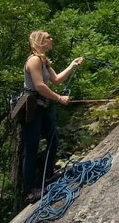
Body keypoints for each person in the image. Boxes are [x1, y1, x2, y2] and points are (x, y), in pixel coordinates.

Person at [22, 30, 84, 203]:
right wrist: (59, 98)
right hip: (33, 108)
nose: (52, 39)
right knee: (31, 149)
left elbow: (56, 80)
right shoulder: (34, 60)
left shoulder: (43, 60)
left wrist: (72, 65)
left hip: (43, 106)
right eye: (49, 37)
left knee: (53, 139)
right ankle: (30, 191)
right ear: (41, 41)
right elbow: (40, 86)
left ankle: (48, 175)